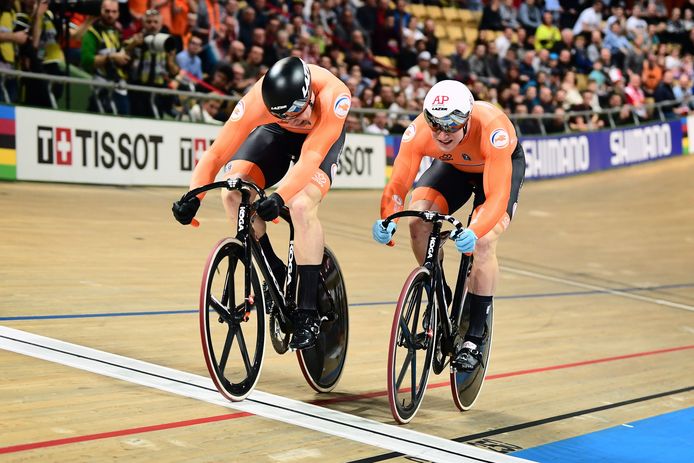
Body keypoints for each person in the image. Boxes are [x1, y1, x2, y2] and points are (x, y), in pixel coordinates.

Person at [172, 57, 351, 350]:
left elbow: (311, 159)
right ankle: (274, 271)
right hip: (275, 134)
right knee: (232, 193)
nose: (297, 119)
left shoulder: (334, 95)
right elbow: (217, 154)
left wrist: (279, 197)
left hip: (321, 139)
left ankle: (307, 313)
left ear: (310, 93)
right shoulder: (256, 101)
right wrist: (194, 195)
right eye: (287, 115)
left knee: (302, 205)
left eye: (299, 110)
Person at [371, 80, 525, 372]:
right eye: (435, 125)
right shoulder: (419, 132)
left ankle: (475, 337)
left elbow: (497, 197)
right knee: (417, 220)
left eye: (451, 125)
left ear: (466, 119)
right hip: (453, 168)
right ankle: (439, 291)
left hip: (495, 174)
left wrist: (476, 230)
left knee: (483, 243)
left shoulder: (493, 128)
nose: (442, 133)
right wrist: (388, 216)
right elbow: (398, 184)